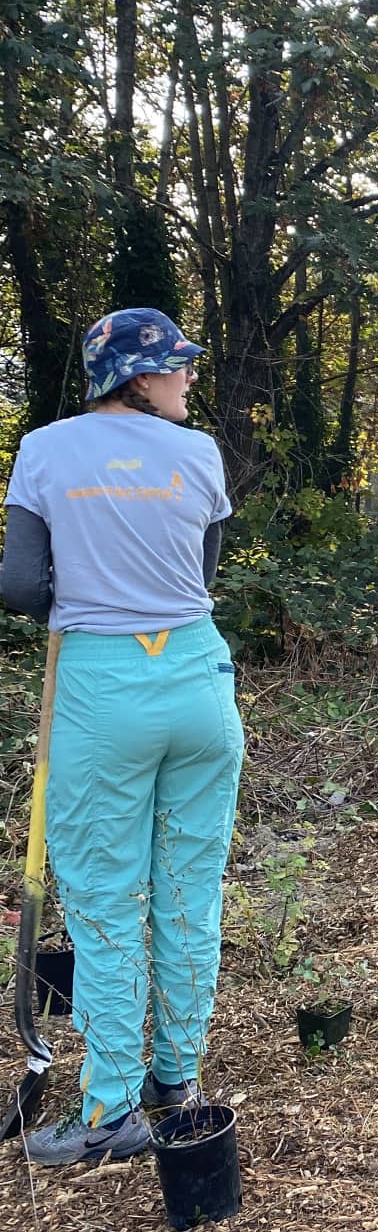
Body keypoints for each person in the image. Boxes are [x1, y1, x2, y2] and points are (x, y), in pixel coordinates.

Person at [0, 309, 243, 1166]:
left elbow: (22, 584)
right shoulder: (202, 455)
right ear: (136, 378)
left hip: (102, 685)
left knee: (106, 902)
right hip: (198, 680)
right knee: (188, 889)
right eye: (176, 368)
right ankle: (176, 1080)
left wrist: (83, 587)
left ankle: (109, 1111)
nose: (188, 380)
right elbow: (202, 576)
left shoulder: (43, 449)